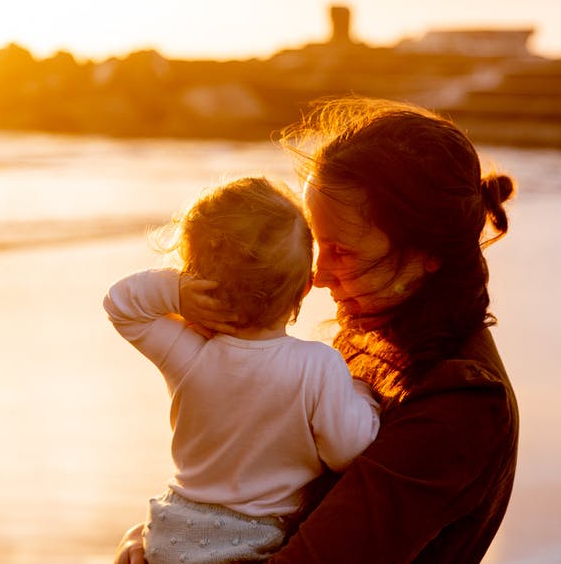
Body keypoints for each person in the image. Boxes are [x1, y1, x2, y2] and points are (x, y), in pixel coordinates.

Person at [114, 97, 518, 563]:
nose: (319, 276)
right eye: (316, 245)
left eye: (341, 252)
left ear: (427, 253)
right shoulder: (375, 339)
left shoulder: (462, 403)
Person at [104, 176, 381, 564]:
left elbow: (122, 305)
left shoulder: (189, 355)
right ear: (305, 287)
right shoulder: (319, 367)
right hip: (249, 543)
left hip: (170, 530)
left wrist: (176, 293)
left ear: (201, 280)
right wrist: (362, 394)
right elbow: (347, 450)